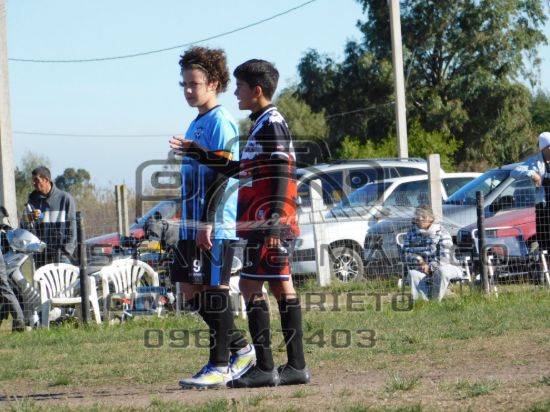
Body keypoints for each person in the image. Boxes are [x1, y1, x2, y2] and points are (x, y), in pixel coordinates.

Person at [170, 59, 310, 388]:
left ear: (256, 90)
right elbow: (241, 171)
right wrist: (200, 154)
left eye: (240, 87)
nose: (235, 93)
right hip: (262, 222)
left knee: (251, 287)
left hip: (268, 223)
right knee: (279, 286)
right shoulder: (261, 123)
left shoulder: (272, 124)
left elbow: (280, 174)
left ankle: (265, 367)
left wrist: (273, 225)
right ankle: (293, 366)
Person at [170, 46, 255, 390]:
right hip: (192, 224)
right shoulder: (196, 122)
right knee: (189, 290)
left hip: (214, 224)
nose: (189, 90)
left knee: (213, 290)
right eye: (185, 84)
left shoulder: (221, 121)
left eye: (195, 84)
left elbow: (224, 174)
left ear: (214, 84)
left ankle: (219, 365)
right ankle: (242, 349)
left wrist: (207, 221)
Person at [402, 205, 462, 301]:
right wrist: (419, 261)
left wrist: (430, 267)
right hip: (421, 268)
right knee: (413, 274)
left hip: (447, 266)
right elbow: (405, 253)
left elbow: (445, 256)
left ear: (431, 218)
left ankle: (435, 303)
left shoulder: (442, 232)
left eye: (423, 217)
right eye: (418, 216)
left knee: (441, 272)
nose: (420, 219)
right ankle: (422, 304)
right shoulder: (411, 233)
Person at [22, 166, 77, 269]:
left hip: (62, 255)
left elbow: (72, 230)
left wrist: (65, 252)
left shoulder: (65, 199)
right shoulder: (32, 201)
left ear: (46, 180)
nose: (33, 183)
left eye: (36, 180)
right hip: (41, 256)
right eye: (33, 180)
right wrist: (29, 219)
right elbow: (25, 228)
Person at [511, 131, 550, 254]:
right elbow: (514, 172)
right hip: (544, 208)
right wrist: (532, 173)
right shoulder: (535, 162)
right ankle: (545, 263)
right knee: (544, 241)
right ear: (545, 148)